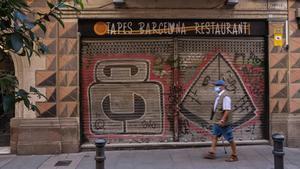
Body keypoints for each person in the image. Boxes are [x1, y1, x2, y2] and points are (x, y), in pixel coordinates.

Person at [204, 80, 238, 162]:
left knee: (230, 139)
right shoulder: (218, 96)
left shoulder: (225, 97)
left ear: (222, 86)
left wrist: (222, 120)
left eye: (217, 85)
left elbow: (227, 110)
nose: (215, 87)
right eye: (215, 85)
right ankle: (212, 152)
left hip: (223, 123)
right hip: (217, 121)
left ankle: (234, 155)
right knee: (215, 135)